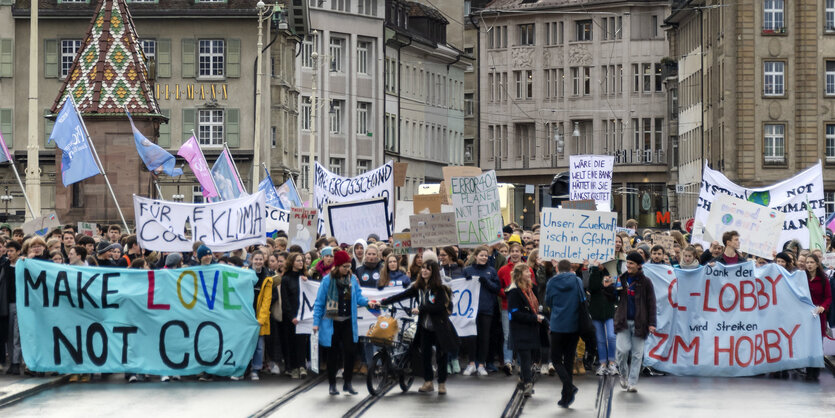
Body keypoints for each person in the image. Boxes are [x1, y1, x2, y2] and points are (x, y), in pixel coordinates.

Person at [381, 259, 459, 395]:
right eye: (423, 268)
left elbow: (439, 307)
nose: (424, 271)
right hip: (424, 327)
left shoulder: (439, 289)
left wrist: (421, 309)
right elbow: (402, 295)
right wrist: (384, 302)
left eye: (427, 269)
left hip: (440, 327)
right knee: (425, 354)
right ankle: (428, 382)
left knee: (441, 355)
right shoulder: (418, 287)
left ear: (433, 272)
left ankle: (442, 383)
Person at [312, 250, 376, 395]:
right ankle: (332, 384)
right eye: (345, 267)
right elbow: (319, 303)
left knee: (350, 352)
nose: (348, 269)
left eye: (349, 266)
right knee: (332, 354)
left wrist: (368, 303)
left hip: (347, 322)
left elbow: (358, 297)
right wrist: (316, 323)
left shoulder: (352, 279)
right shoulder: (327, 280)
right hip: (332, 323)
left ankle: (347, 382)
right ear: (338, 266)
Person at [614, 251, 657, 393]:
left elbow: (651, 303)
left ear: (639, 265)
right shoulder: (621, 279)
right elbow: (612, 296)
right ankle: (623, 374)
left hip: (640, 322)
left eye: (631, 263)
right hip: (623, 321)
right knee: (622, 350)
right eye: (627, 263)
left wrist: (652, 323)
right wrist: (608, 286)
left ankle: (632, 382)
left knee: (637, 354)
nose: (628, 265)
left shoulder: (646, 282)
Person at [545, 259, 583, 408]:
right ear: (571, 268)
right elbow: (582, 299)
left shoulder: (552, 282)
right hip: (574, 324)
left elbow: (548, 301)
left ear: (557, 269)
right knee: (568, 360)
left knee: (556, 359)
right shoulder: (577, 280)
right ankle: (566, 396)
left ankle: (569, 388)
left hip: (557, 324)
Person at [462, 246, 500, 377]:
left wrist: (487, 282)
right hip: (471, 309)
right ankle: (471, 363)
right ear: (476, 256)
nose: (484, 257)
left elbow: (497, 288)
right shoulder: (467, 270)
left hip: (486, 308)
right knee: (472, 337)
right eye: (481, 255)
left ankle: (482, 364)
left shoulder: (491, 271)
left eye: (486, 256)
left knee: (484, 337)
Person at [506, 263, 543, 398]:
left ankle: (522, 381)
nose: (529, 273)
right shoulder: (514, 291)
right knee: (525, 358)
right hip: (520, 330)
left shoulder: (529, 289)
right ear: (519, 274)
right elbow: (514, 313)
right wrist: (534, 317)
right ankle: (527, 383)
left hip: (529, 329)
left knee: (527, 356)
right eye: (526, 272)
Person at [804, 254, 831, 381]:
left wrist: (823, 307)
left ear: (816, 264)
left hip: (819, 316)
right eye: (807, 262)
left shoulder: (824, 279)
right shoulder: (801, 278)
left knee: (817, 344)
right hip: (805, 316)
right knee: (807, 343)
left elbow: (828, 297)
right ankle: (808, 369)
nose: (809, 265)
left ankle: (815, 370)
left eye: (811, 262)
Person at [279, 252, 307, 379]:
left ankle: (302, 365)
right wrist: (291, 316)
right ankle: (292, 367)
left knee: (301, 342)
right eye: (298, 261)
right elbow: (285, 300)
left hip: (302, 316)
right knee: (290, 342)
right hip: (290, 316)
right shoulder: (286, 279)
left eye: (302, 260)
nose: (301, 263)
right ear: (292, 263)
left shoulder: (304, 277)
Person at [588, 260, 618, 376]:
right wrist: (595, 270)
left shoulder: (611, 271)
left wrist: (609, 287)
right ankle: (603, 364)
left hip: (609, 311)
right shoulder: (593, 272)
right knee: (600, 339)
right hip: (596, 311)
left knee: (611, 336)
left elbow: (615, 293)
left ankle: (612, 362)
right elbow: (592, 287)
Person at [248, 251, 273, 381]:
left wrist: (261, 319)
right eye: (256, 259)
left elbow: (266, 301)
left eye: (260, 259)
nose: (258, 262)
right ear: (251, 259)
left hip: (258, 316)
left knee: (259, 345)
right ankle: (242, 367)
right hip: (245, 315)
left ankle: (255, 369)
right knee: (244, 344)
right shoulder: (244, 273)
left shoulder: (267, 278)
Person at [0, 240, 21, 375]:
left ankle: (16, 362)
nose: (9, 253)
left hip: (20, 304)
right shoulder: (4, 265)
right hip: (7, 305)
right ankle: (12, 363)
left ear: (18, 252)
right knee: (9, 335)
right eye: (8, 251)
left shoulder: (22, 265)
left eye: (12, 251)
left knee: (17, 335)